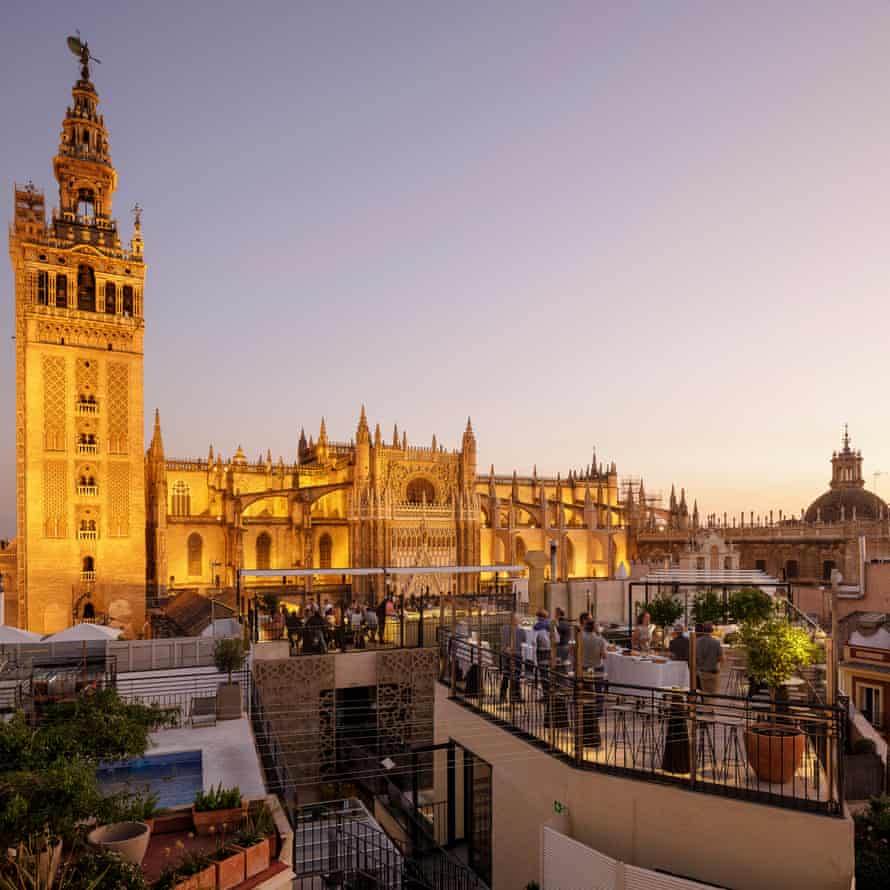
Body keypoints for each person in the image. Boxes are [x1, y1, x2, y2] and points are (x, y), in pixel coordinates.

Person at [580, 620, 606, 747]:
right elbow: (604, 656)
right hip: (596, 669)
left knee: (584, 694)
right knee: (597, 693)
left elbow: (573, 651)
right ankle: (597, 713)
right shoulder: (600, 640)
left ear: (585, 627)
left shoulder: (580, 638)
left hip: (584, 669)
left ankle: (585, 716)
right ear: (595, 628)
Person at [696, 621, 724, 700]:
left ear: (703, 630)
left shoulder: (697, 642)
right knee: (711, 698)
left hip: (700, 673)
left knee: (703, 697)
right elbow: (721, 658)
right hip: (712, 672)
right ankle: (709, 711)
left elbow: (695, 657)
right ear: (712, 630)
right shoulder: (716, 642)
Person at [499, 614, 523, 704]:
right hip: (516, 655)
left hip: (505, 654)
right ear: (516, 620)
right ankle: (516, 696)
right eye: (518, 620)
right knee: (516, 676)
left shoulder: (503, 628)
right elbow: (523, 642)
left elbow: (503, 641)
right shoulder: (521, 631)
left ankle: (502, 696)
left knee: (506, 675)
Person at [533, 609, 552, 703]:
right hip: (551, 653)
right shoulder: (551, 626)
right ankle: (551, 695)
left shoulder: (537, 627)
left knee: (544, 676)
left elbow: (533, 641)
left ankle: (546, 696)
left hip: (541, 653)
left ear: (539, 617)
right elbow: (557, 639)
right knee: (550, 675)